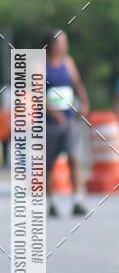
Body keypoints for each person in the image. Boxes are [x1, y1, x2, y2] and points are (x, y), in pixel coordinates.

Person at [44, 30, 89, 217]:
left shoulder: (68, 63)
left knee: (73, 158)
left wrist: (85, 102)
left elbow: (77, 84)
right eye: (63, 42)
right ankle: (51, 202)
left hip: (69, 119)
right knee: (49, 164)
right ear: (53, 45)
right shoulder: (41, 65)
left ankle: (77, 200)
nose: (65, 45)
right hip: (49, 123)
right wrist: (52, 112)